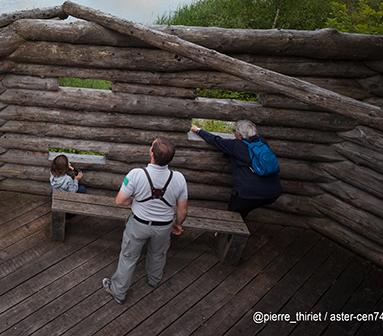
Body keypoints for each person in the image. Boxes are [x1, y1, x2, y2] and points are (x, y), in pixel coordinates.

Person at [102, 137, 187, 304]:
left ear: (151, 153)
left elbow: (119, 201)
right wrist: (177, 224)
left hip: (138, 224)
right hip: (163, 226)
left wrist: (134, 200)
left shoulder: (136, 174)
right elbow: (183, 210)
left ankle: (119, 292)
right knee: (158, 254)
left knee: (128, 257)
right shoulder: (179, 178)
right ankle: (154, 280)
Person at [191, 119, 281, 219]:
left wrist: (198, 130)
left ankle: (229, 232)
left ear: (239, 135)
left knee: (233, 217)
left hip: (248, 194)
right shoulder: (262, 142)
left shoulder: (236, 145)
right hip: (273, 192)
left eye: (234, 132)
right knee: (244, 211)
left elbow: (215, 140)